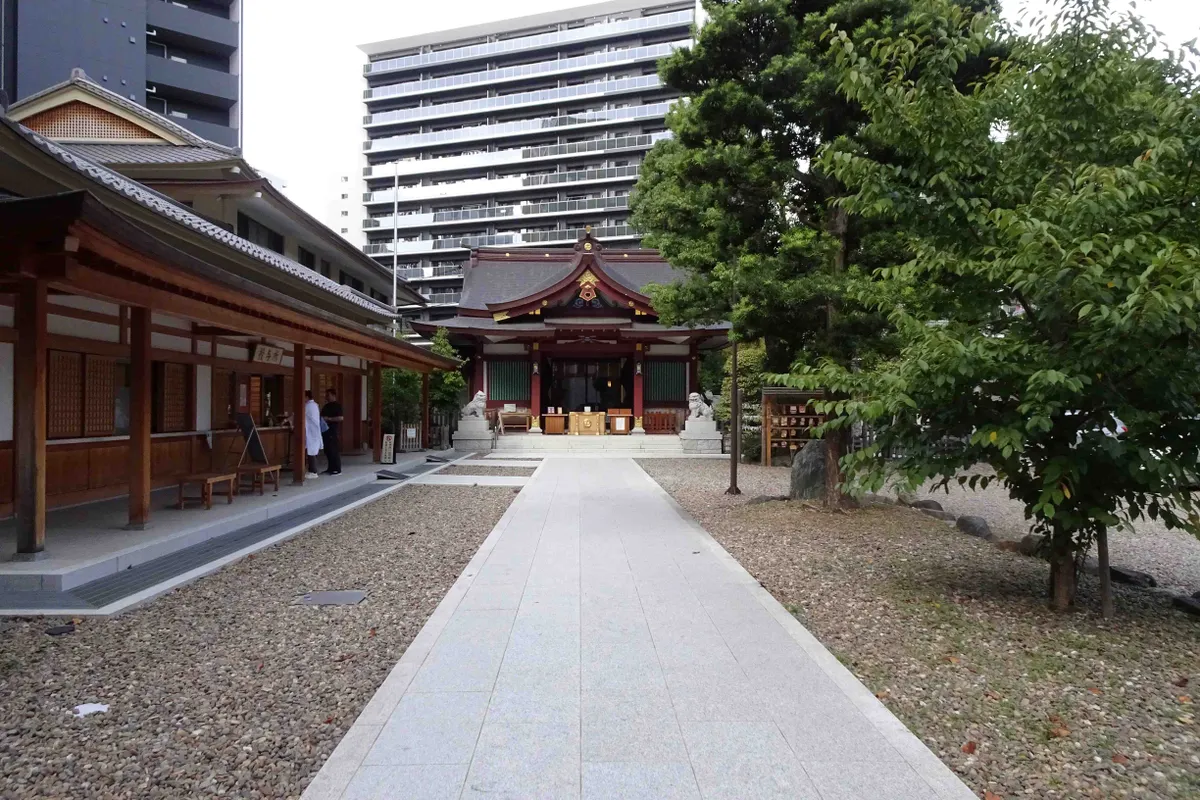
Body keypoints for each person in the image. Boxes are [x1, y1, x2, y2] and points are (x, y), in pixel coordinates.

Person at [321, 388, 344, 475]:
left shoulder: (337, 406)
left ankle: (337, 469)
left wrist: (329, 419)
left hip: (333, 430)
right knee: (327, 450)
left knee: (333, 449)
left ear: (333, 395)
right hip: (325, 430)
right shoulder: (326, 406)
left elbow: (341, 418)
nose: (326, 397)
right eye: (326, 395)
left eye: (328, 395)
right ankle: (330, 468)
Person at [303, 390, 322, 479]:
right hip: (314, 431)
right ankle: (312, 470)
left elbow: (298, 414)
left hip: (311, 431)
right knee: (312, 451)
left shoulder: (308, 406)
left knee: (311, 452)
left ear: (307, 397)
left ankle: (313, 471)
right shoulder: (314, 405)